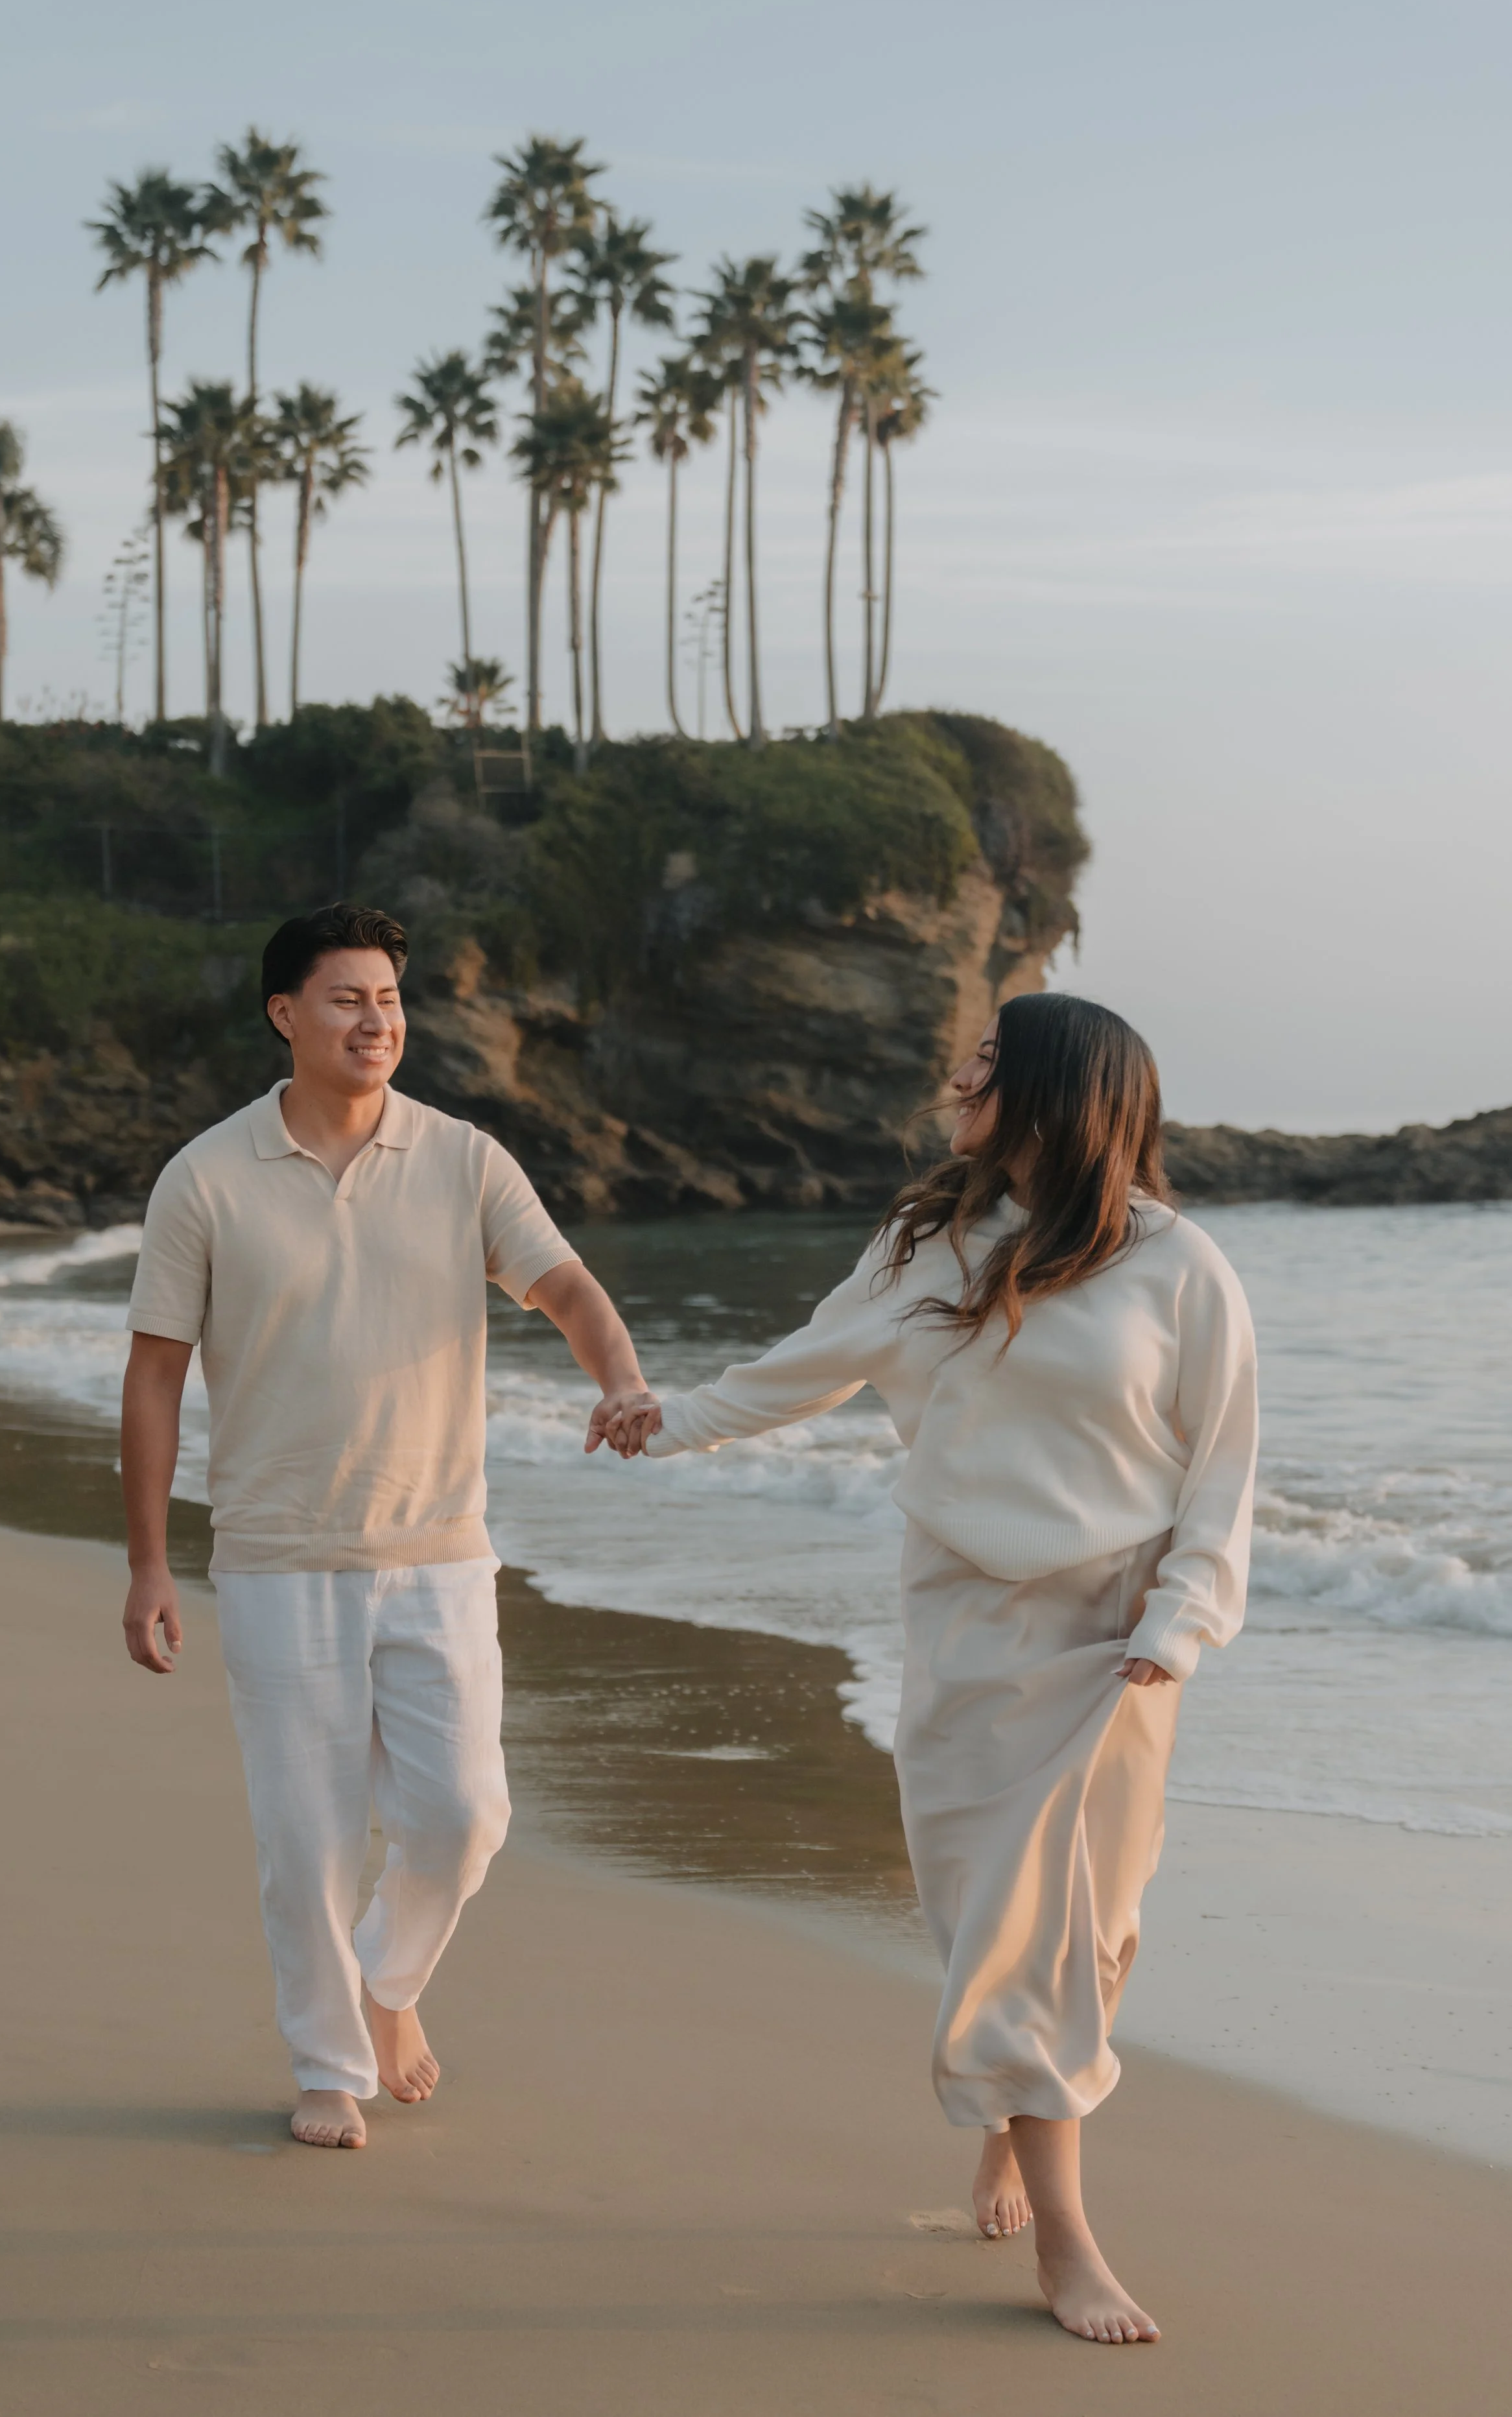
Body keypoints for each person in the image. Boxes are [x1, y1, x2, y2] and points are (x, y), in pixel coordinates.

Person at [595, 992, 1257, 2344]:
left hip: (1123, 1640)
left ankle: (1015, 2132)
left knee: (1105, 1924)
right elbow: (801, 1372)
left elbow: (1222, 1469)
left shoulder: (1177, 1265)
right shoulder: (925, 1244)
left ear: (1057, 1092)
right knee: (1013, 1933)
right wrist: (659, 1422)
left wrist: (1178, 1620)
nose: (958, 1076)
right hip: (972, 1633)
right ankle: (1069, 2242)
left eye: (988, 1062)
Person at [120, 901, 654, 2150]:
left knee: (466, 1815)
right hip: (278, 1557)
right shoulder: (205, 1175)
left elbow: (563, 1282)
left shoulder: (465, 1158)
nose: (379, 1020)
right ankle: (326, 2062)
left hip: (441, 1551)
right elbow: (153, 1375)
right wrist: (149, 1561)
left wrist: (617, 1373)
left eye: (393, 1000)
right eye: (350, 998)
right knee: (305, 1835)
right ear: (285, 1013)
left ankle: (392, 1983)